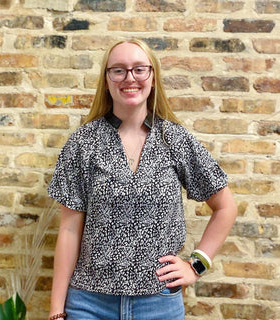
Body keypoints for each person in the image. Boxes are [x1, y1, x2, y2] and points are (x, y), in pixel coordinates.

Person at [47, 38, 237, 320]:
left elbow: (226, 207)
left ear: (152, 77)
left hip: (158, 303)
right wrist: (56, 311)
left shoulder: (175, 139)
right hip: (89, 303)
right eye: (118, 70)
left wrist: (196, 266)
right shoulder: (83, 143)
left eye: (139, 69)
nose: (129, 78)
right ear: (107, 79)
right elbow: (69, 230)